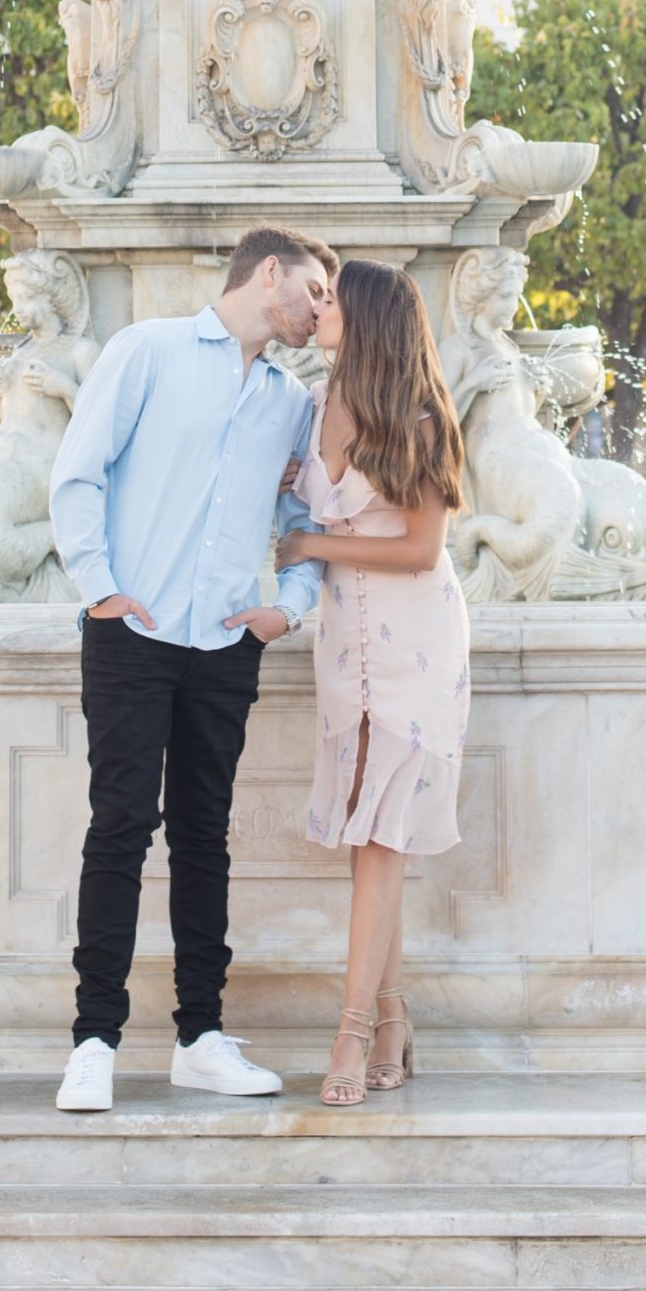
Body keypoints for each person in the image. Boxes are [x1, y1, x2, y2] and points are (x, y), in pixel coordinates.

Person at [48, 226, 336, 1113]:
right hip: (132, 631)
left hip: (223, 645)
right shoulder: (148, 351)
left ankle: (200, 1037)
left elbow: (302, 519)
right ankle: (93, 1041)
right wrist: (100, 588)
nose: (323, 311)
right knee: (121, 826)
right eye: (317, 293)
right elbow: (78, 472)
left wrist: (285, 608)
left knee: (205, 837)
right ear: (271, 274)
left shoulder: (291, 400)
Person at [274, 257, 471, 1107]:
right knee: (368, 834)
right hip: (345, 648)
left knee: (384, 834)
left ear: (364, 316)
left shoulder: (420, 421)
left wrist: (314, 547)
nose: (319, 306)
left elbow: (422, 549)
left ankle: (351, 1034)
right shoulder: (311, 406)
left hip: (416, 648)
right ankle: (392, 1015)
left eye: (331, 298)